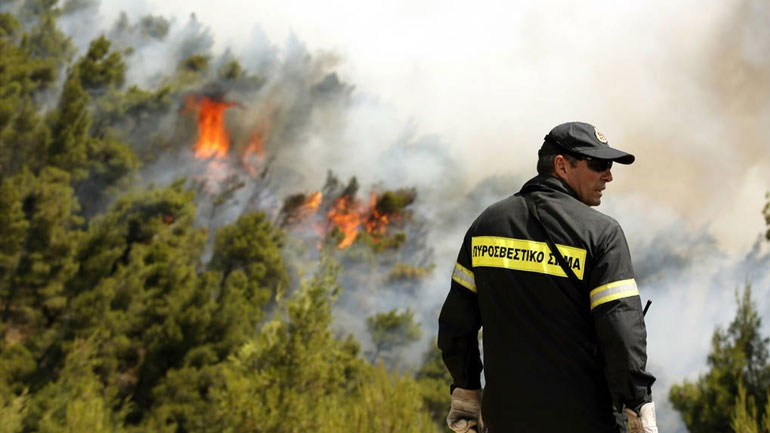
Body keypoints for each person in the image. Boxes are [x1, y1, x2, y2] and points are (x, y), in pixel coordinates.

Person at [438, 122, 657, 433]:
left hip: (505, 421)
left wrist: (466, 392)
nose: (608, 175)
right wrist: (638, 405)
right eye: (598, 164)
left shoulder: (486, 224)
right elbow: (621, 332)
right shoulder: (602, 234)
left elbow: (455, 329)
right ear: (561, 165)